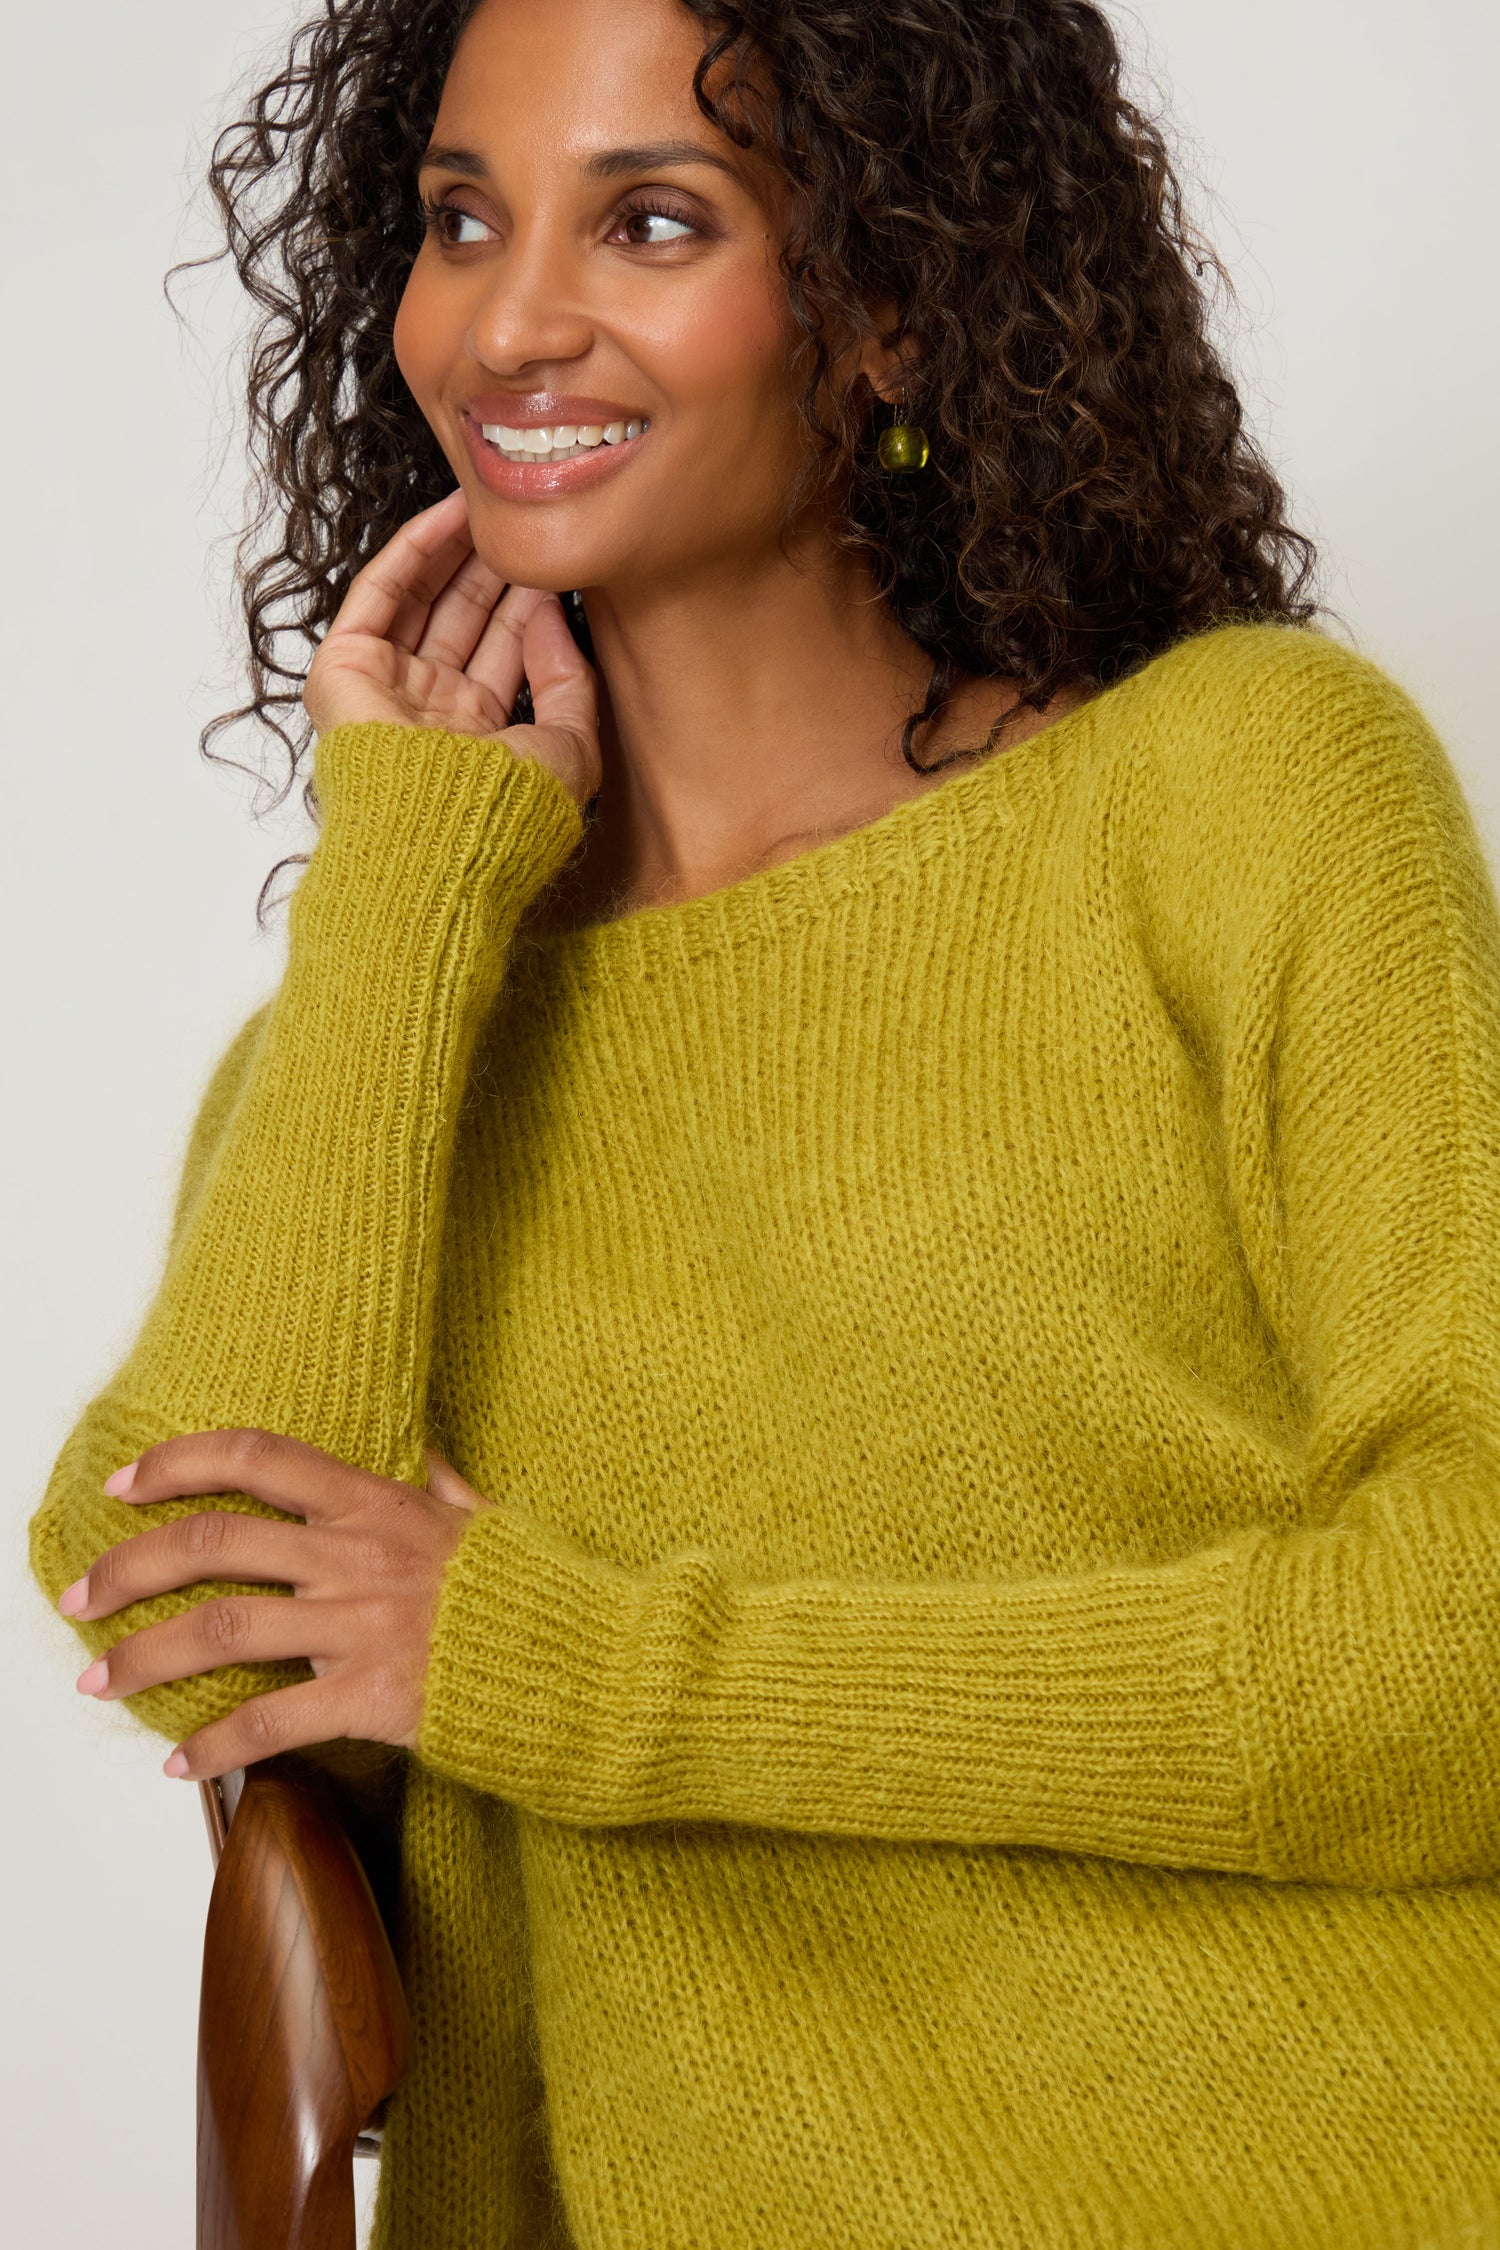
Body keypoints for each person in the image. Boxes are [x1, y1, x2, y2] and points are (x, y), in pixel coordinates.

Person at [30, 0, 1500, 2241]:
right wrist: (407, 879)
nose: (509, 323)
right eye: (459, 220)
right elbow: (196, 1619)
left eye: (651, 220)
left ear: (894, 302)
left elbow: (1462, 1644)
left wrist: (585, 1666)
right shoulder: (381, 1040)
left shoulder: (1245, 792)